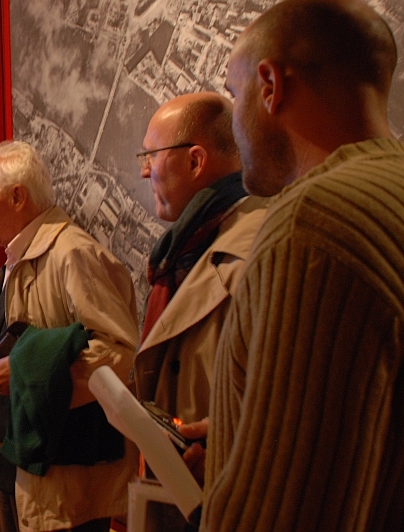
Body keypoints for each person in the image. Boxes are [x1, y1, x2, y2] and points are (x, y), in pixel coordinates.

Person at [200, 0, 404, 531]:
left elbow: (287, 515)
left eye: (235, 94)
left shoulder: (315, 226)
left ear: (270, 86)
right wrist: (241, 437)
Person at [0, 140, 140, 532]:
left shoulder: (74, 255)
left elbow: (120, 352)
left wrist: (24, 371)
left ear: (17, 197)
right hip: (22, 474)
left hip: (65, 489)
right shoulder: (8, 273)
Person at [132, 92, 267, 529]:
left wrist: (231, 447)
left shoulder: (261, 254)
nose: (143, 170)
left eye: (151, 154)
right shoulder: (183, 252)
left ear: (195, 162)